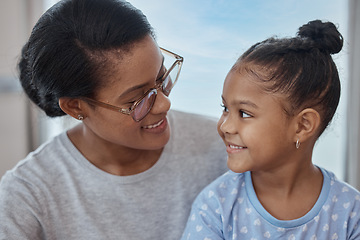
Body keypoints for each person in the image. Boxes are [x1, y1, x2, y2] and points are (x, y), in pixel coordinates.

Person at [0, 0, 228, 239]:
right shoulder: (27, 196)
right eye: (137, 99)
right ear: (76, 106)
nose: (164, 105)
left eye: (162, 77)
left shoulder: (223, 146)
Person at [181, 20, 360, 240]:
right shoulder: (215, 207)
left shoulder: (351, 213)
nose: (225, 126)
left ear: (302, 126)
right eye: (225, 108)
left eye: (244, 113)